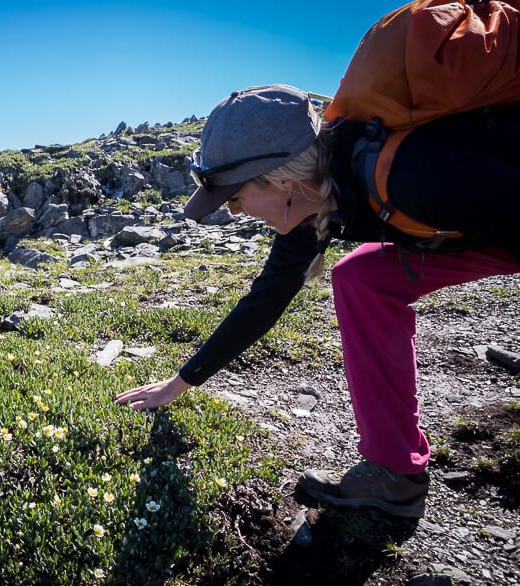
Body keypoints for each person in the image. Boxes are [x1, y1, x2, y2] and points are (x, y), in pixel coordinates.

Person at [113, 83, 520, 518]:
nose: (231, 211)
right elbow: (265, 299)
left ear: (281, 179)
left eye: (234, 196)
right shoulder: (312, 203)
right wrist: (180, 383)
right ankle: (395, 474)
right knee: (362, 278)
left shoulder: (414, 175)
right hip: (480, 229)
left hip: (501, 217)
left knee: (363, 275)